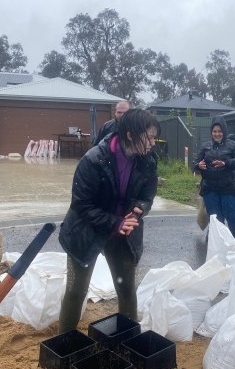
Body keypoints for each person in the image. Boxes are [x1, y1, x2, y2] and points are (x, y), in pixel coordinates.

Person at [58, 109, 160, 333]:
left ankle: (128, 339)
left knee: (126, 289)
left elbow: (147, 195)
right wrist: (116, 222)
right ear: (131, 135)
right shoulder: (94, 159)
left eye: (155, 137)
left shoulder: (148, 161)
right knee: (76, 290)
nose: (153, 142)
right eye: (149, 137)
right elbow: (81, 205)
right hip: (86, 231)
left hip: (123, 234)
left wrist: (140, 209)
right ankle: (63, 342)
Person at [194, 118, 235, 250]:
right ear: (211, 132)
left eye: (219, 131)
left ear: (224, 131)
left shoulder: (233, 145)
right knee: (216, 219)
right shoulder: (206, 146)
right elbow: (195, 164)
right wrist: (198, 165)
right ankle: (217, 241)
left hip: (230, 188)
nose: (217, 134)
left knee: (233, 218)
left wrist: (226, 163)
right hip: (210, 189)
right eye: (214, 131)